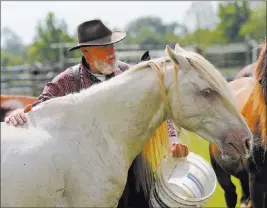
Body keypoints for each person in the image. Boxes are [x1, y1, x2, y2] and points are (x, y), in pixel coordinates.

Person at [4, 19, 189, 205]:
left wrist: (173, 138)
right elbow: (41, 108)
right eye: (103, 47)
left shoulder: (130, 75)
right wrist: (20, 114)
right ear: (85, 51)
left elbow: (161, 103)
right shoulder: (68, 80)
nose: (111, 52)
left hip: (131, 166)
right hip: (84, 175)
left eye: (112, 46)